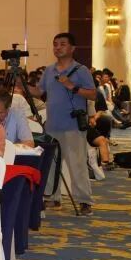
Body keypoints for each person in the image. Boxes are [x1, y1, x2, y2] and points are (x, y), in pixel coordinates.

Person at [26, 33, 97, 214]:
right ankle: (53, 197)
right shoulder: (49, 70)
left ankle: (84, 201)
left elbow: (93, 94)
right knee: (51, 164)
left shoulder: (81, 70)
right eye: (55, 44)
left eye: (62, 44)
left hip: (73, 126)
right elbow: (39, 92)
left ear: (72, 48)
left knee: (77, 165)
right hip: (52, 125)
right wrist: (23, 84)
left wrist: (73, 86)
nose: (58, 47)